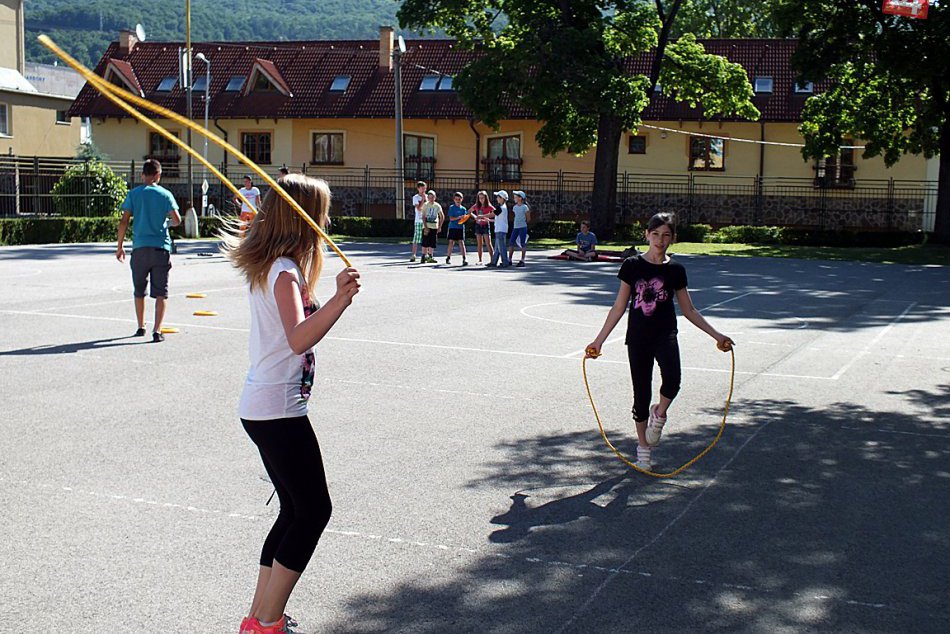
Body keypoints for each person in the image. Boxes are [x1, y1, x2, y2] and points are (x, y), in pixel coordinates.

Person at [224, 174, 361, 634]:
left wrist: (326, 296)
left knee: (294, 510)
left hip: (268, 405)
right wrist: (339, 300)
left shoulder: (280, 267)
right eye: (320, 214)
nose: (325, 223)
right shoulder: (282, 271)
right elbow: (299, 337)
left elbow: (297, 326)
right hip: (276, 409)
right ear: (301, 218)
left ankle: (258, 617)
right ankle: (267, 622)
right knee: (314, 511)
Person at [585, 212, 734, 471]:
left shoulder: (675, 270)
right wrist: (599, 341)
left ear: (673, 238)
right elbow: (619, 306)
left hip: (665, 335)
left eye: (666, 235)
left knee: (673, 382)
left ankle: (660, 413)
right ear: (647, 235)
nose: (660, 240)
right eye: (655, 234)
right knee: (641, 394)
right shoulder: (632, 266)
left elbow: (689, 310)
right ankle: (643, 446)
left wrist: (717, 335)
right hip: (638, 338)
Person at [115, 159, 181, 343]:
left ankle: (140, 326)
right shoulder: (165, 194)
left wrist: (120, 246)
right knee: (161, 292)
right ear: (158, 175)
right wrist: (166, 223)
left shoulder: (134, 194)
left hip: (140, 248)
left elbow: (124, 221)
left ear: (143, 175)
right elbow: (177, 220)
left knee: (139, 290)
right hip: (160, 248)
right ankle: (157, 330)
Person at [486, 190, 511, 268]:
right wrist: (489, 220)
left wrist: (481, 216)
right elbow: (498, 218)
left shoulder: (501, 208)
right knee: (497, 247)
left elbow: (492, 214)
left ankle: (505, 262)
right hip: (500, 229)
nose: (497, 198)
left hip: (501, 229)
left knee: (501, 247)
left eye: (498, 197)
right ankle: (494, 262)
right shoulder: (502, 207)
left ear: (502, 198)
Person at [469, 190, 494, 264]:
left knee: (488, 243)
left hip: (485, 225)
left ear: (486, 198)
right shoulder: (476, 205)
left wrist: (488, 218)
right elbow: (469, 211)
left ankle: (492, 259)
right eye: (480, 198)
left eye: (482, 198)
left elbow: (495, 212)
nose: (481, 200)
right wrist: (475, 217)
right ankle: (480, 259)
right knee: (479, 243)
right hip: (478, 225)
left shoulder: (489, 206)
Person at [444, 192, 469, 266]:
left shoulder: (463, 209)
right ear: (454, 200)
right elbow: (451, 218)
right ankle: (448, 257)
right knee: (451, 242)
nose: (458, 201)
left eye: (459, 199)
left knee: (461, 242)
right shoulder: (452, 207)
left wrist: (464, 218)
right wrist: (458, 217)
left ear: (462, 199)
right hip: (452, 227)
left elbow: (465, 218)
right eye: (456, 199)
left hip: (460, 228)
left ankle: (464, 258)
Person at [507, 190, 531, 267]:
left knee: (522, 243)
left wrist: (523, 223)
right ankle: (509, 259)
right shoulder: (515, 207)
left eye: (516, 197)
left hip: (522, 227)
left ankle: (522, 260)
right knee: (511, 242)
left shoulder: (525, 207)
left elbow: (528, 218)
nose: (514, 198)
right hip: (515, 227)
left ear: (520, 198)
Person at [420, 190, 444, 263]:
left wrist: (439, 226)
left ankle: (430, 256)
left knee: (432, 242)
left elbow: (442, 216)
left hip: (434, 226)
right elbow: (423, 216)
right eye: (429, 197)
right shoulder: (425, 205)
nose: (431, 199)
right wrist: (425, 227)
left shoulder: (437, 205)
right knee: (425, 242)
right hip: (427, 226)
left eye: (432, 197)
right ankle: (423, 256)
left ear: (435, 197)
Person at [409, 181, 427, 262]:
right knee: (416, 238)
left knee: (426, 238)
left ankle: (425, 254)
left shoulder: (428, 197)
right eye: (422, 188)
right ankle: (413, 254)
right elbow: (419, 208)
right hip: (418, 220)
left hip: (426, 221)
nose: (423, 190)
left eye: (425, 188)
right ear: (418, 189)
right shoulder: (415, 197)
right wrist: (423, 199)